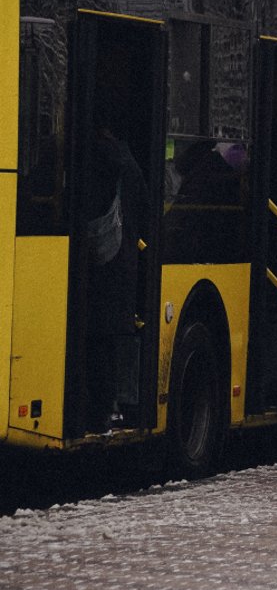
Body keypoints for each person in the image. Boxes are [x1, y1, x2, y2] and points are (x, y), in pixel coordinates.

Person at [82, 126, 147, 434]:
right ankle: (110, 407)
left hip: (97, 262)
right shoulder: (127, 160)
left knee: (94, 337)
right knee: (105, 339)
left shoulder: (88, 157)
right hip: (121, 260)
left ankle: (99, 408)